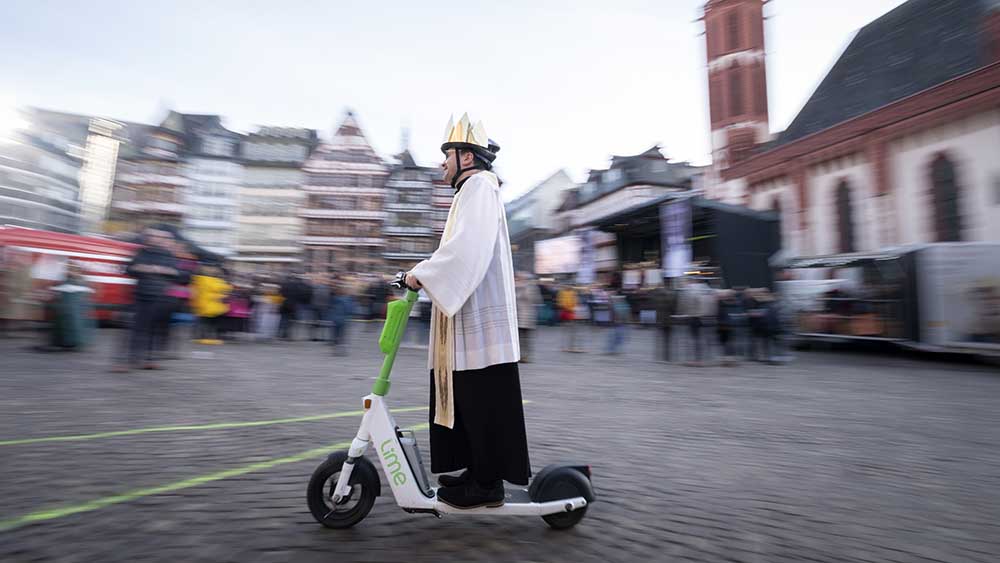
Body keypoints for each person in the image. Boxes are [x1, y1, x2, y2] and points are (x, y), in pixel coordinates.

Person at [404, 114, 529, 510]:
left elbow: (465, 251)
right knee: (472, 401)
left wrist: (420, 274)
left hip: (477, 322)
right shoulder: (473, 190)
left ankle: (487, 482)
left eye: (448, 154)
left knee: (481, 400)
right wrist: (424, 273)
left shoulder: (478, 187)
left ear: (468, 157)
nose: (442, 162)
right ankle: (477, 472)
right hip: (468, 319)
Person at [113, 228, 178, 372]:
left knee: (153, 329)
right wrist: (154, 269)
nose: (154, 238)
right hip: (140, 295)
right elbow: (129, 269)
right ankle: (126, 361)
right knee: (134, 329)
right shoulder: (140, 252)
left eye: (159, 236)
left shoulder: (169, 255)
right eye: (151, 236)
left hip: (160, 296)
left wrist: (153, 269)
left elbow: (176, 273)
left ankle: (149, 359)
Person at [191, 264, 230, 344]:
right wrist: (220, 295)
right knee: (207, 322)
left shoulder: (200, 279)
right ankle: (205, 337)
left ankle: (205, 337)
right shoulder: (210, 280)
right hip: (209, 305)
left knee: (207, 321)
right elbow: (222, 290)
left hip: (209, 305)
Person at [515, 271, 540, 362]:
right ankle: (520, 356)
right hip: (518, 317)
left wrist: (523, 287)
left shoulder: (530, 287)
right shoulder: (516, 287)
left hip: (527, 318)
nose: (518, 279)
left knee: (526, 339)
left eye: (520, 277)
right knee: (519, 339)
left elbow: (533, 299)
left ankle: (527, 356)